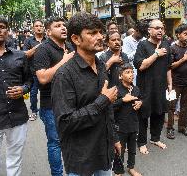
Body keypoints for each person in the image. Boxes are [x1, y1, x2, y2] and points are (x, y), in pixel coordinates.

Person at [51, 12, 121, 176]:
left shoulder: (101, 65)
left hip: (103, 151)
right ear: (76, 39)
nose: (99, 37)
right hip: (81, 157)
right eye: (91, 33)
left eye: (100, 32)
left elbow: (108, 108)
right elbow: (65, 122)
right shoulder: (64, 75)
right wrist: (103, 100)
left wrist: (114, 137)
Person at [34, 17, 74, 176]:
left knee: (73, 141)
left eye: (64, 25)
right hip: (51, 105)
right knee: (55, 143)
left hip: (72, 103)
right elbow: (42, 78)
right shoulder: (43, 49)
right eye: (58, 26)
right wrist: (64, 61)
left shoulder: (71, 46)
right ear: (48, 32)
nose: (63, 28)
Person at [0, 16, 32, 176]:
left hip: (17, 117)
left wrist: (23, 89)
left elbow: (29, 80)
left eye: (2, 26)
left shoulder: (20, 56)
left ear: (7, 31)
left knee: (14, 161)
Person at [133, 19, 172, 154]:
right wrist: (156, 54)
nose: (160, 30)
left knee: (159, 113)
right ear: (149, 30)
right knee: (144, 115)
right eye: (156, 28)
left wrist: (170, 84)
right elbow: (141, 66)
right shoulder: (143, 45)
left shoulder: (166, 44)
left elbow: (168, 67)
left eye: (161, 28)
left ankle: (155, 138)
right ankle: (142, 142)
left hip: (161, 88)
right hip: (145, 88)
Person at [166, 24, 187, 139]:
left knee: (185, 106)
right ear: (178, 35)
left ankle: (182, 127)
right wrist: (183, 59)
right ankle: (170, 128)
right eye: (185, 34)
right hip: (174, 83)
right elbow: (169, 66)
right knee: (171, 106)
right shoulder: (172, 48)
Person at [113, 63, 142, 176]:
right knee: (120, 149)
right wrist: (122, 100)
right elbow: (110, 107)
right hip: (121, 126)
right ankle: (118, 171)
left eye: (132, 72)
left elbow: (139, 101)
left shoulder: (136, 89)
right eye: (127, 72)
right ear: (120, 76)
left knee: (132, 148)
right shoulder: (116, 90)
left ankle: (131, 167)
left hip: (133, 124)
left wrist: (140, 103)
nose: (131, 74)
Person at [23, 19, 47, 121]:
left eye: (40, 26)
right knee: (33, 93)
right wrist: (38, 47)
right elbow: (26, 54)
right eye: (36, 26)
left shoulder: (48, 40)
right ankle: (34, 111)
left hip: (47, 72)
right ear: (33, 28)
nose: (39, 28)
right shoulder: (28, 41)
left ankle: (47, 110)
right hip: (33, 72)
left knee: (48, 92)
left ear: (43, 28)